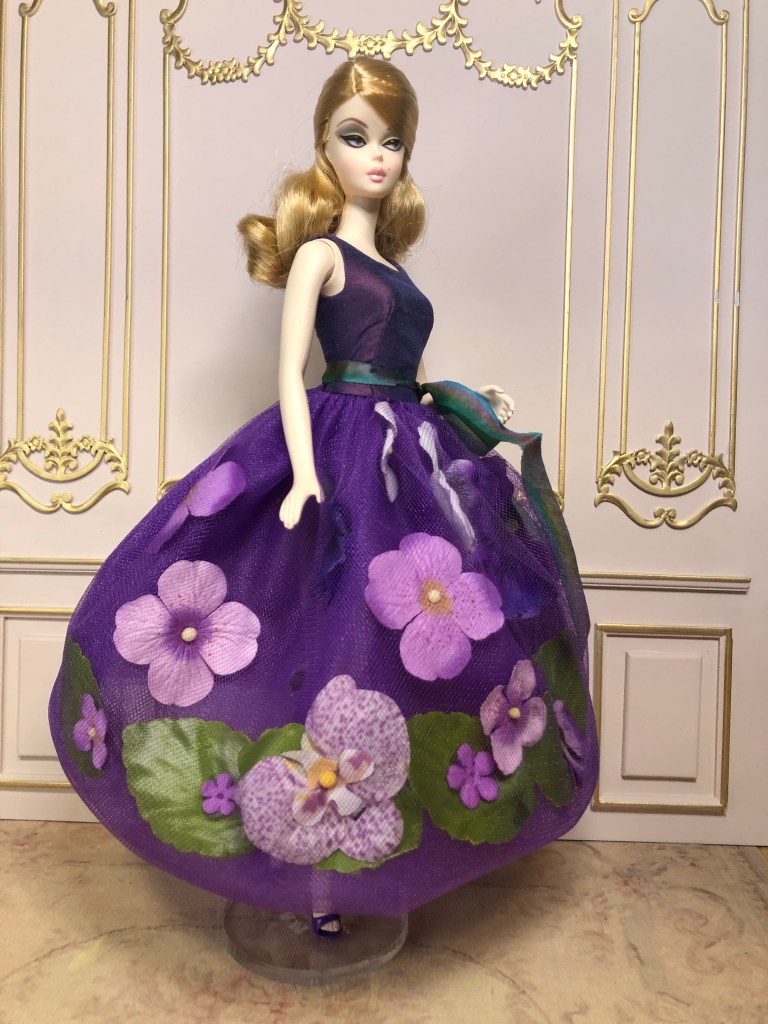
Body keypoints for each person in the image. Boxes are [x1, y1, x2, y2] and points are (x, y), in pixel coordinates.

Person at [49, 57, 598, 943]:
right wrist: (305, 474)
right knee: (316, 637)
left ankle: (356, 857)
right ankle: (304, 861)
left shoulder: (397, 269)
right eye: (356, 137)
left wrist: (465, 410)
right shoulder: (320, 254)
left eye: (392, 141)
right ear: (325, 147)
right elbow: (291, 371)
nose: (376, 156)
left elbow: (411, 375)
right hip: (336, 447)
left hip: (406, 453)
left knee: (403, 647)